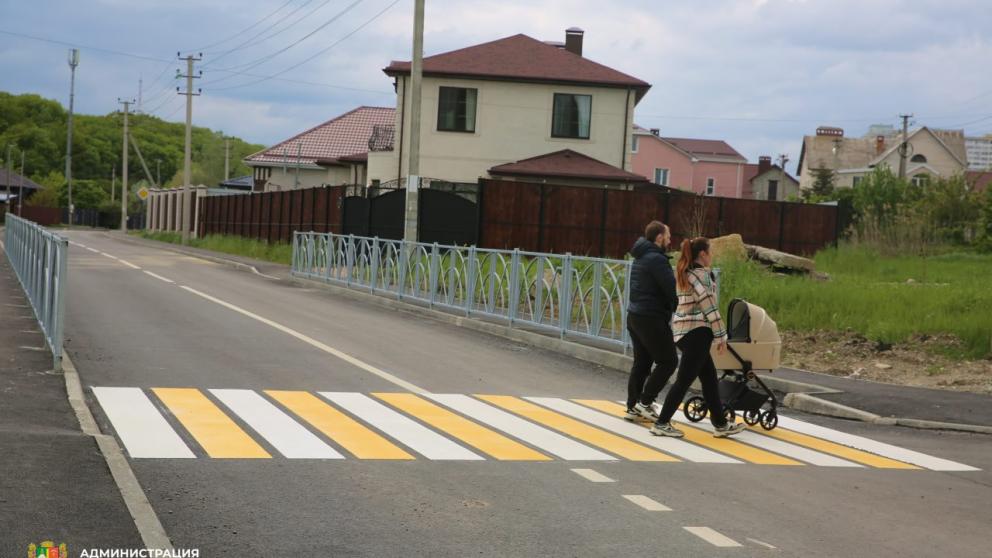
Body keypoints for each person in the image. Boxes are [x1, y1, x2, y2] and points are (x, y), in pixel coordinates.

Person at [650, 237, 746, 438]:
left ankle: (720, 424)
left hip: (684, 331)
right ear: (703, 254)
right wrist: (721, 336)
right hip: (697, 332)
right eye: (710, 252)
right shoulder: (701, 275)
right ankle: (662, 422)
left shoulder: (686, 272)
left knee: (709, 379)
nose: (712, 256)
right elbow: (709, 305)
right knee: (684, 380)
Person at [624, 221, 679, 422]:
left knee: (643, 361)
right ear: (659, 238)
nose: (670, 240)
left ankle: (633, 406)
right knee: (669, 361)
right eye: (668, 236)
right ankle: (645, 402)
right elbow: (670, 289)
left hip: (635, 315)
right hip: (651, 317)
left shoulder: (641, 256)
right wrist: (678, 308)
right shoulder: (657, 259)